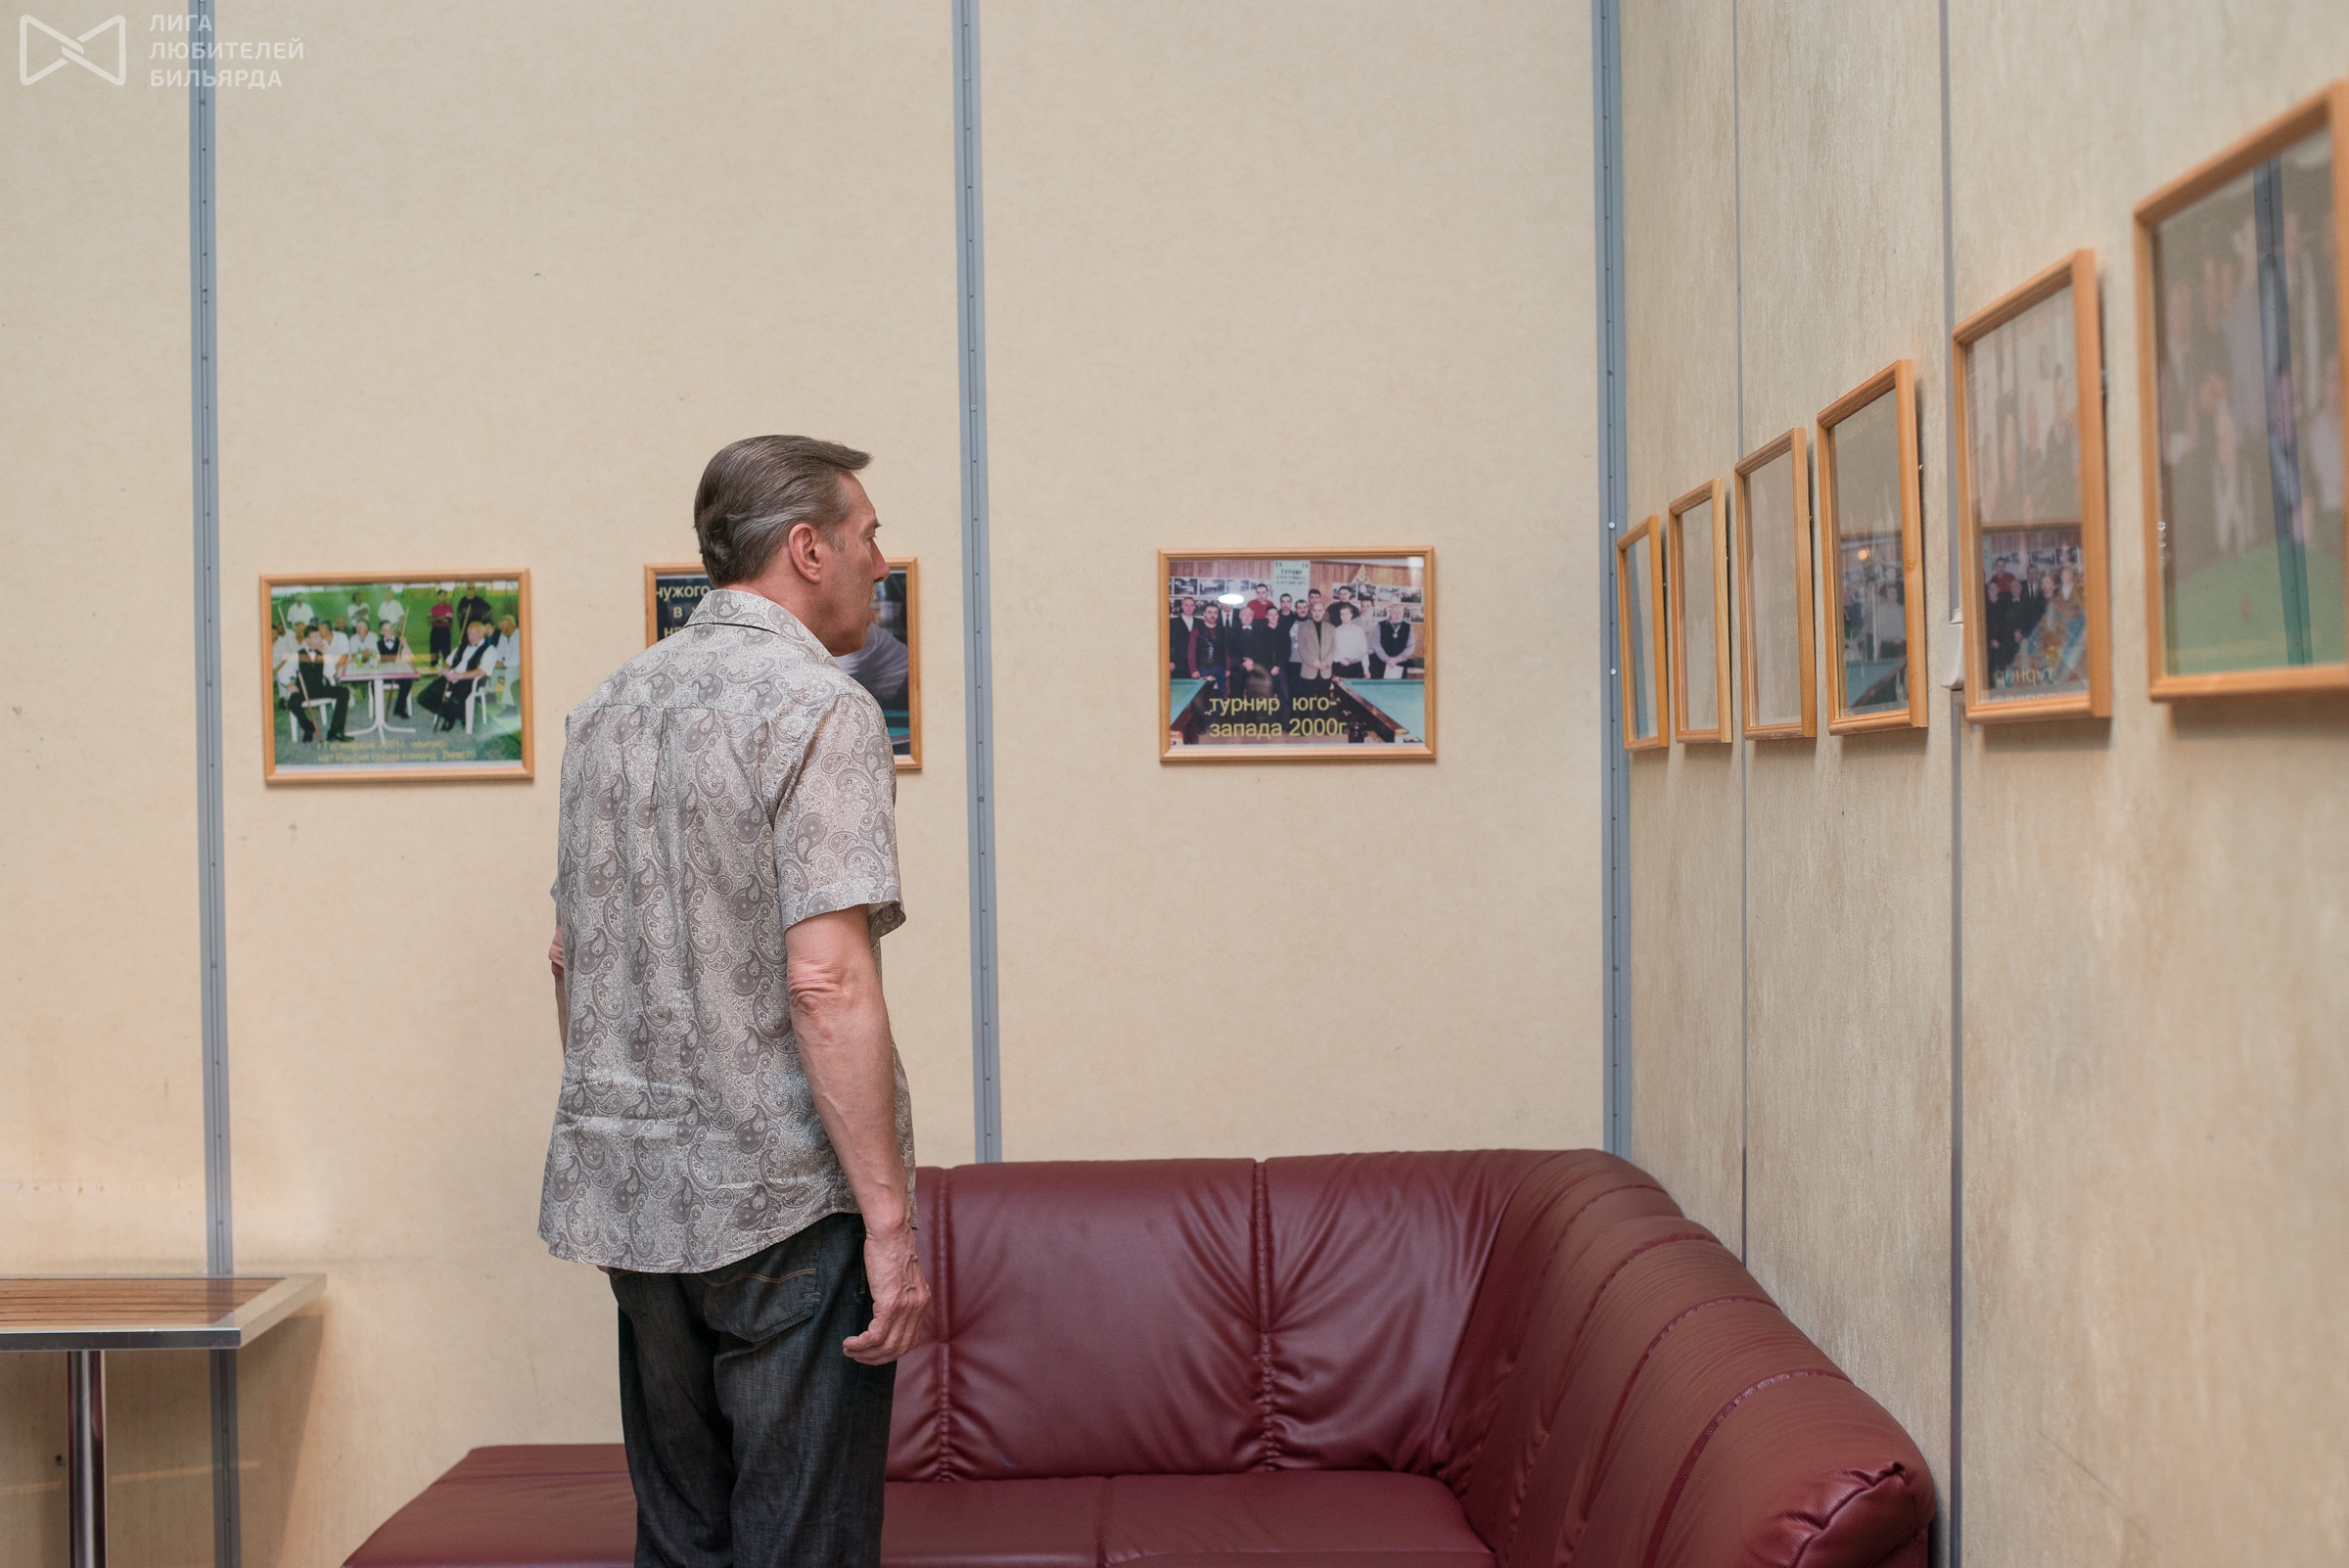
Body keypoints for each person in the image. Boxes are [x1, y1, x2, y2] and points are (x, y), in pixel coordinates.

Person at [542, 436, 928, 1568]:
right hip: (783, 1207)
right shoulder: (820, 708)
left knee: (682, 1545)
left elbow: (571, 959)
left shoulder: (607, 710)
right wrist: (891, 1226)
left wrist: (620, 1169)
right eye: (867, 537)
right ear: (807, 549)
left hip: (635, 1201)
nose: (879, 562)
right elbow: (826, 979)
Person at [427, 621, 498, 731]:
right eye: (469, 633)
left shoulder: (490, 650)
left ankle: (451, 717)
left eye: (474, 633)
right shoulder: (461, 647)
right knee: (426, 696)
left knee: (454, 697)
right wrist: (446, 670)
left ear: (482, 633)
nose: (470, 636)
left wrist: (459, 676)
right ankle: (454, 713)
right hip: (452, 676)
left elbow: (481, 671)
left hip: (471, 680)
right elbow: (448, 661)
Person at [290, 623, 352, 742]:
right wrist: (289, 684)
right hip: (302, 690)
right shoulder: (298, 654)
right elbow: (284, 673)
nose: (319, 639)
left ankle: (336, 731)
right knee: (292, 703)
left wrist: (325, 654)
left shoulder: (322, 653)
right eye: (315, 637)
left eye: (319, 636)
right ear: (307, 640)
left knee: (344, 692)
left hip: (319, 688)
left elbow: (330, 673)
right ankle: (308, 727)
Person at [1291, 598, 1334, 703]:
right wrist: (1313, 662)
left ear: (1324, 612)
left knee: (1323, 703)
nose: (1317, 613)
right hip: (1309, 670)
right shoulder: (1303, 627)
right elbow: (1302, 648)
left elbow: (1334, 647)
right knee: (1307, 704)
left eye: (1320, 610)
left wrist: (1326, 662)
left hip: (1325, 670)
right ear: (1311, 611)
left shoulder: (1331, 628)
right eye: (1314, 610)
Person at [375, 618, 417, 719]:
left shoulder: (400, 642)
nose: (389, 631)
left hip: (398, 674)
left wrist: (405, 644)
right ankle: (378, 710)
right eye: (386, 630)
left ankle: (400, 709)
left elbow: (411, 658)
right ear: (381, 632)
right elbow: (374, 661)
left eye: (390, 628)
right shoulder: (377, 644)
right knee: (373, 683)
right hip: (383, 674)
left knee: (407, 681)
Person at [1189, 603, 1231, 696]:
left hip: (1220, 668)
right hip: (1203, 668)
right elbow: (1191, 651)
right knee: (1203, 695)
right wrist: (1193, 669)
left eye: (1215, 613)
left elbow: (1225, 650)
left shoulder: (1223, 630)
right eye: (1210, 612)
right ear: (1204, 614)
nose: (1213, 615)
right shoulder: (1197, 630)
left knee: (1220, 695)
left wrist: (1228, 667)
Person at [1371, 600, 1416, 678]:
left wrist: (1397, 659)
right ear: (1390, 612)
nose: (1397, 615)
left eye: (1400, 613)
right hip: (1381, 664)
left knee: (1398, 686)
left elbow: (1411, 646)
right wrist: (1386, 659)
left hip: (1400, 664)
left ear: (1403, 613)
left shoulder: (1408, 627)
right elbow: (1376, 644)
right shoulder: (1380, 625)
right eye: (1395, 612)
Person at [1329, 600, 1370, 679]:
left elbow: (1364, 651)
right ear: (1340, 615)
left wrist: (1366, 669)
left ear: (1351, 614)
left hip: (1355, 667)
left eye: (1347, 614)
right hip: (1340, 667)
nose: (1344, 616)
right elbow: (1332, 650)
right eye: (1342, 614)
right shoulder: (1335, 631)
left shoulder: (1358, 630)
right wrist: (1341, 660)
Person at [1168, 595, 1200, 673]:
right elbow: (1169, 643)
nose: (1189, 608)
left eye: (1191, 605)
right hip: (1178, 663)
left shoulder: (1200, 623)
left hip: (1196, 663)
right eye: (1186, 605)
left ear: (1195, 607)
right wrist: (1170, 660)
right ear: (1182, 606)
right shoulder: (1173, 623)